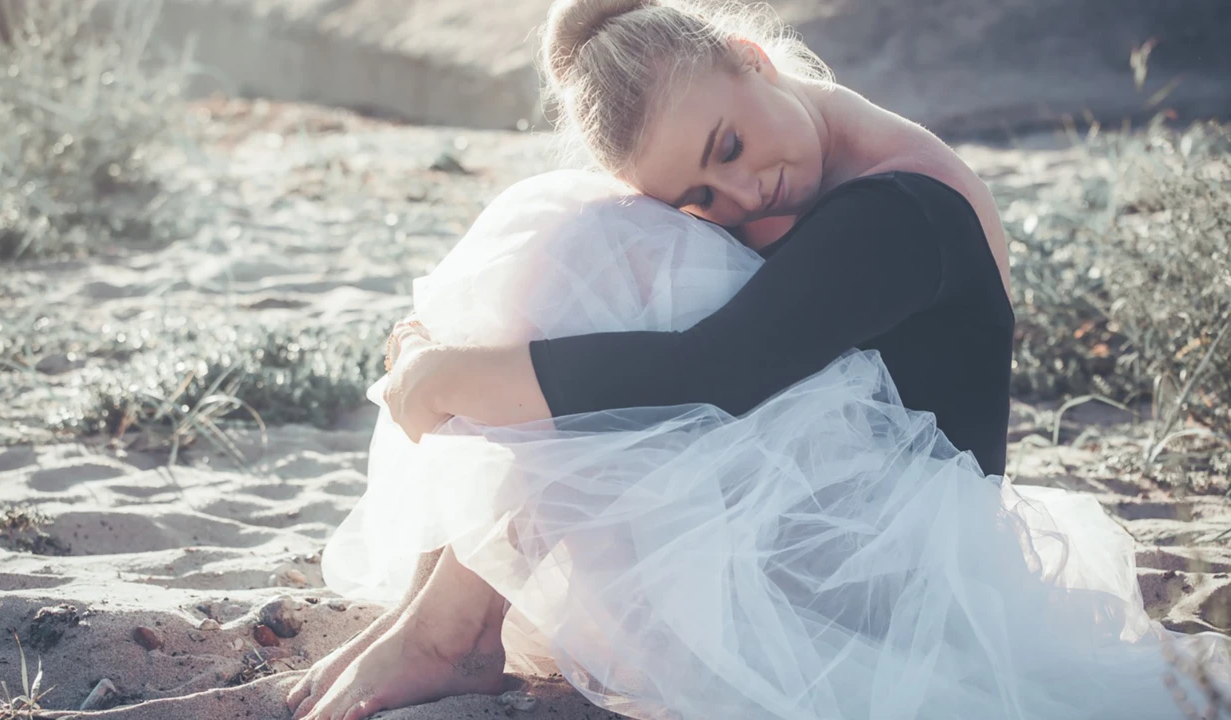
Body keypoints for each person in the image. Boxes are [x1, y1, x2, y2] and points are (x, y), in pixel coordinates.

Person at [287, 2, 1230, 719]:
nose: (742, 193)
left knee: (586, 248)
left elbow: (714, 370)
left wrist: (452, 375)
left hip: (889, 573)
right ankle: (437, 616)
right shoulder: (808, 172)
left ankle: (451, 631)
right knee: (579, 227)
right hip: (815, 514)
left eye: (729, 146)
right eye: (701, 192)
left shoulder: (902, 210)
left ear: (752, 58)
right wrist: (451, 344)